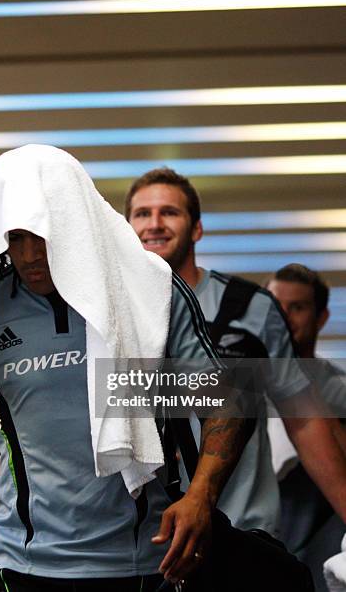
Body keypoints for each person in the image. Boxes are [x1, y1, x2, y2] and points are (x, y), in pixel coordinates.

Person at [0, 146, 250, 592]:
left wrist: (200, 498)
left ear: (73, 223)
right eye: (16, 238)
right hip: (21, 568)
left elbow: (223, 401)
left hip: (140, 569)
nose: (31, 254)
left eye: (42, 234)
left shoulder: (149, 290)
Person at [126, 167, 346, 538]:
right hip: (144, 538)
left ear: (196, 228)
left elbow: (304, 419)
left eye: (170, 212)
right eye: (142, 214)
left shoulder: (252, 307)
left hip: (242, 529)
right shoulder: (112, 313)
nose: (155, 223)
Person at [266, 264, 346, 591]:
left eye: (296, 308)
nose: (283, 317)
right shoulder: (241, 383)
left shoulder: (337, 387)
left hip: (320, 544)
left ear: (321, 317)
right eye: (275, 307)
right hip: (257, 535)